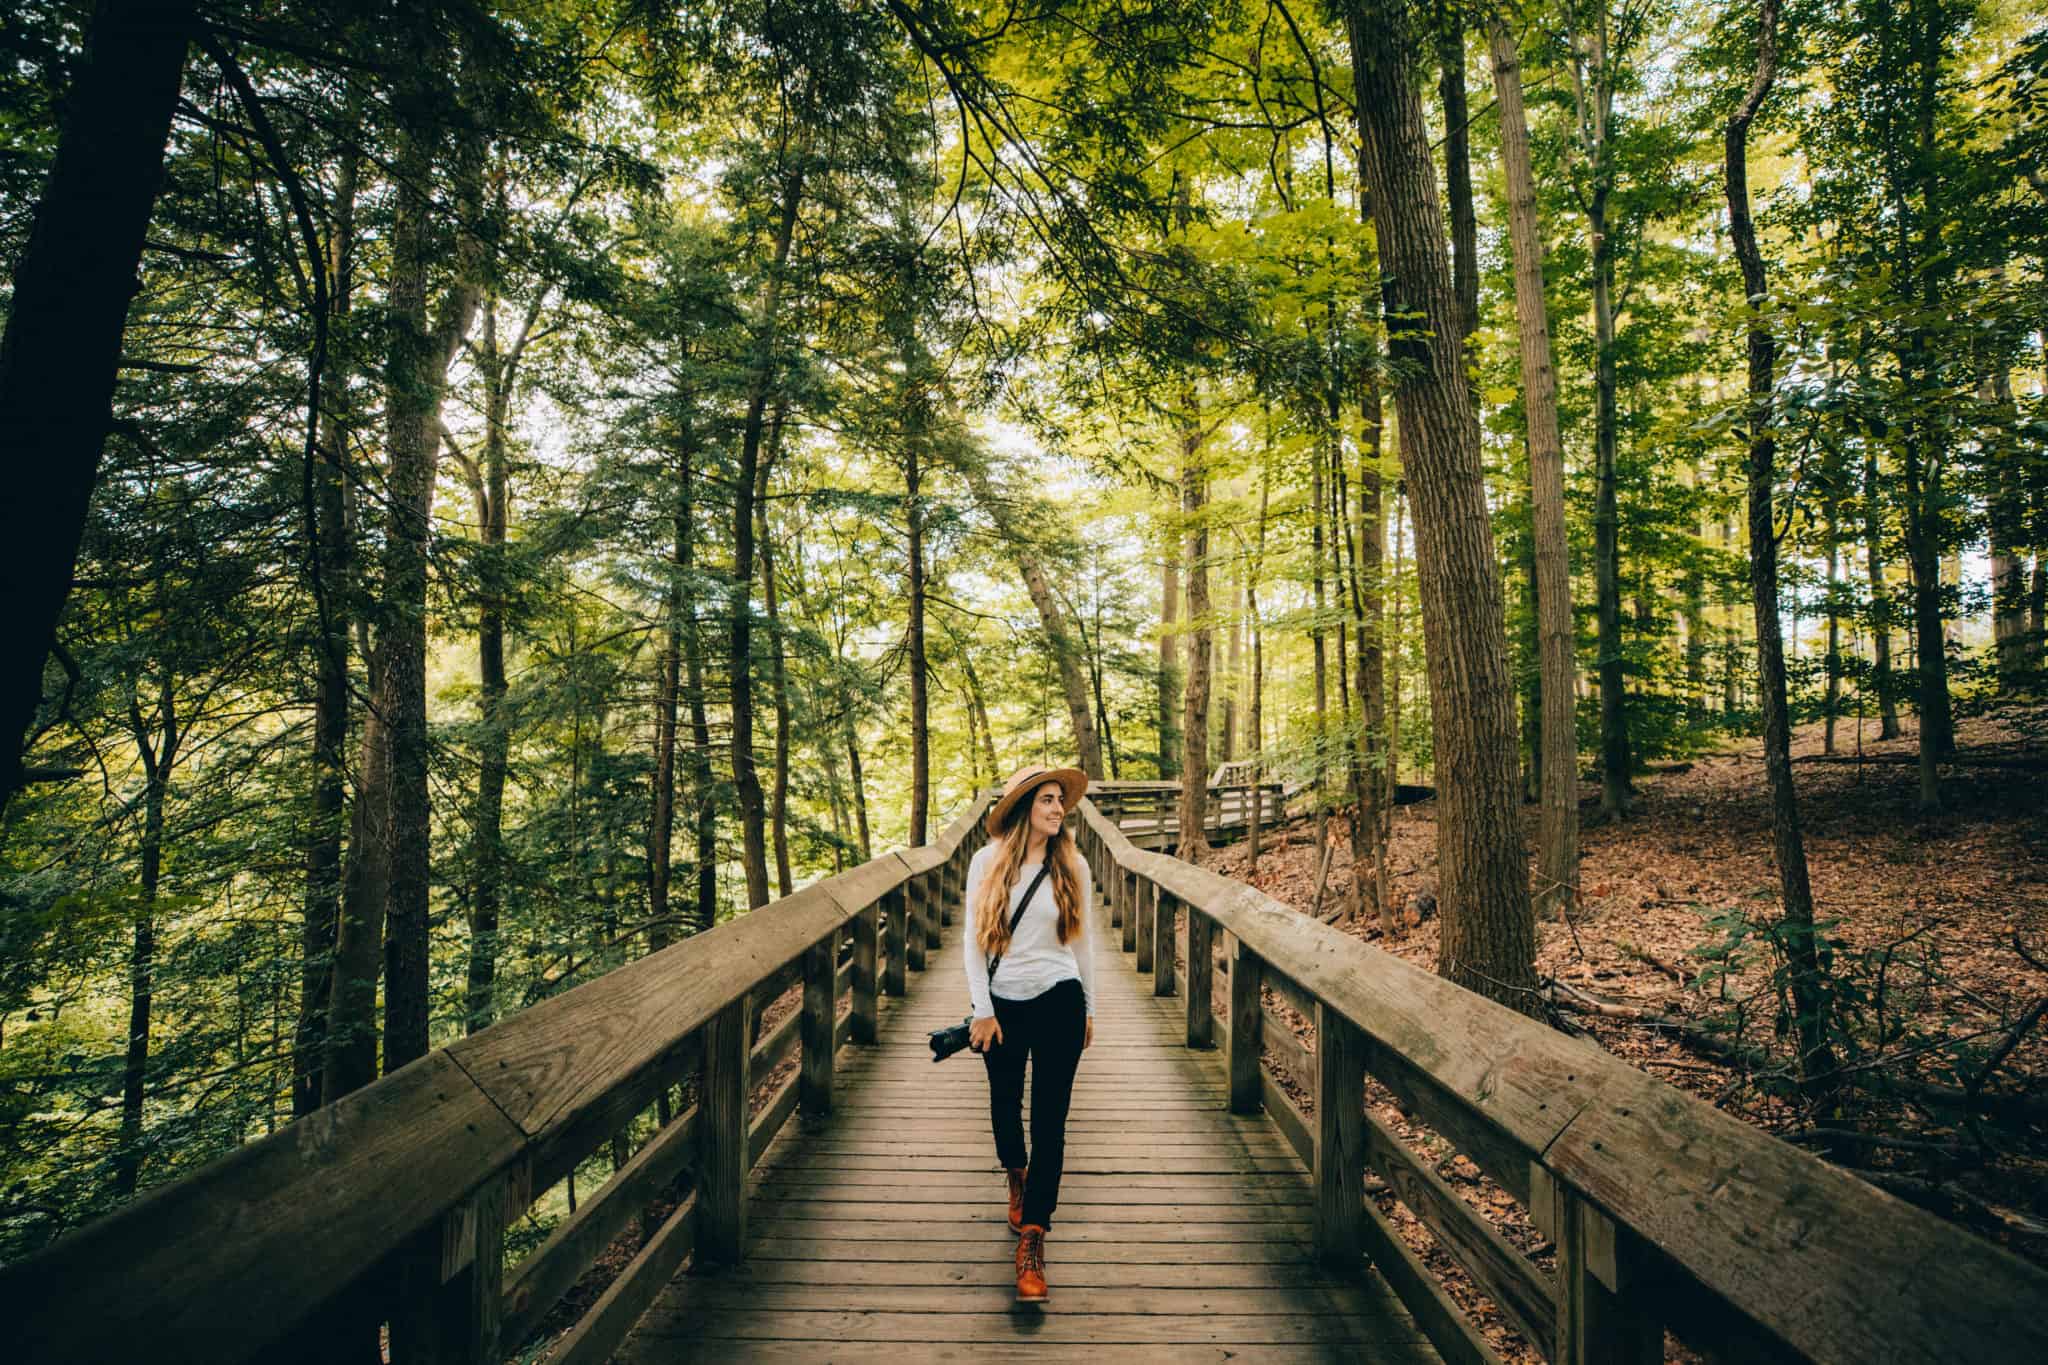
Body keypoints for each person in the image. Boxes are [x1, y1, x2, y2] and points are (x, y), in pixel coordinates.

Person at [964, 762, 1096, 1304]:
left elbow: (1084, 945)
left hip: (1060, 998)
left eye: (1059, 800)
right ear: (1023, 808)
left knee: (1051, 1121)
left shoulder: (1074, 865)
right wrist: (981, 1009)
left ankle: (1034, 1236)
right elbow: (973, 942)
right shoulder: (985, 863)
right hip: (1003, 1004)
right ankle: (1015, 1173)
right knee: (1003, 1106)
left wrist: (1090, 1007)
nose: (1057, 808)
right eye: (1045, 799)